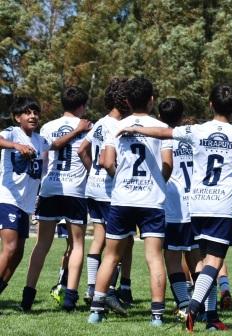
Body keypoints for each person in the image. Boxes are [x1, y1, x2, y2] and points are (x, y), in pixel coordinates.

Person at [116, 83, 232, 331]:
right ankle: (192, 307)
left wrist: (133, 127)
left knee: (202, 262)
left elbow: (164, 133)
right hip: (222, 206)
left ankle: (211, 318)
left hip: (197, 205)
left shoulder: (196, 130)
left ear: (211, 104)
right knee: (213, 262)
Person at [88, 77, 173, 326]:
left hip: (122, 199)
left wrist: (121, 178)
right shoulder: (161, 127)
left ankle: (96, 310)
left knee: (111, 256)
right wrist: (157, 181)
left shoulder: (116, 126)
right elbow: (168, 165)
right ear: (151, 100)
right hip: (151, 201)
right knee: (154, 257)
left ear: (126, 101)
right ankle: (157, 316)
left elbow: (106, 161)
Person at [0, 97, 89, 299]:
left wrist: (77, 130)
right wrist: (16, 146)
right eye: (27, 113)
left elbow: (56, 144)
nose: (33, 116)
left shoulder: (40, 140)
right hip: (8, 199)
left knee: (18, 254)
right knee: (11, 247)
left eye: (35, 112)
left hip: (26, 204)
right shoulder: (11, 133)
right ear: (17, 117)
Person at [20, 86, 92, 312]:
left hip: (50, 187)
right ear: (82, 106)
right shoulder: (88, 126)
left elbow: (45, 156)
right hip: (75, 190)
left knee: (42, 244)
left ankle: (28, 294)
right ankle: (70, 297)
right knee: (77, 244)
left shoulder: (48, 126)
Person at [78, 77, 132, 315]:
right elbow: (105, 159)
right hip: (110, 191)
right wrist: (116, 174)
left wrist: (93, 173)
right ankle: (107, 290)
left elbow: (82, 150)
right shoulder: (118, 125)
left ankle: (92, 288)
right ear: (126, 100)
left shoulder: (100, 122)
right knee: (116, 244)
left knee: (99, 239)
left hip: (93, 189)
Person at [155, 98, 203, 319]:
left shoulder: (160, 139)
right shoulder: (193, 137)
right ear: (182, 115)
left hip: (173, 206)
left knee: (172, 258)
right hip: (195, 205)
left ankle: (184, 305)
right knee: (198, 259)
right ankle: (202, 306)